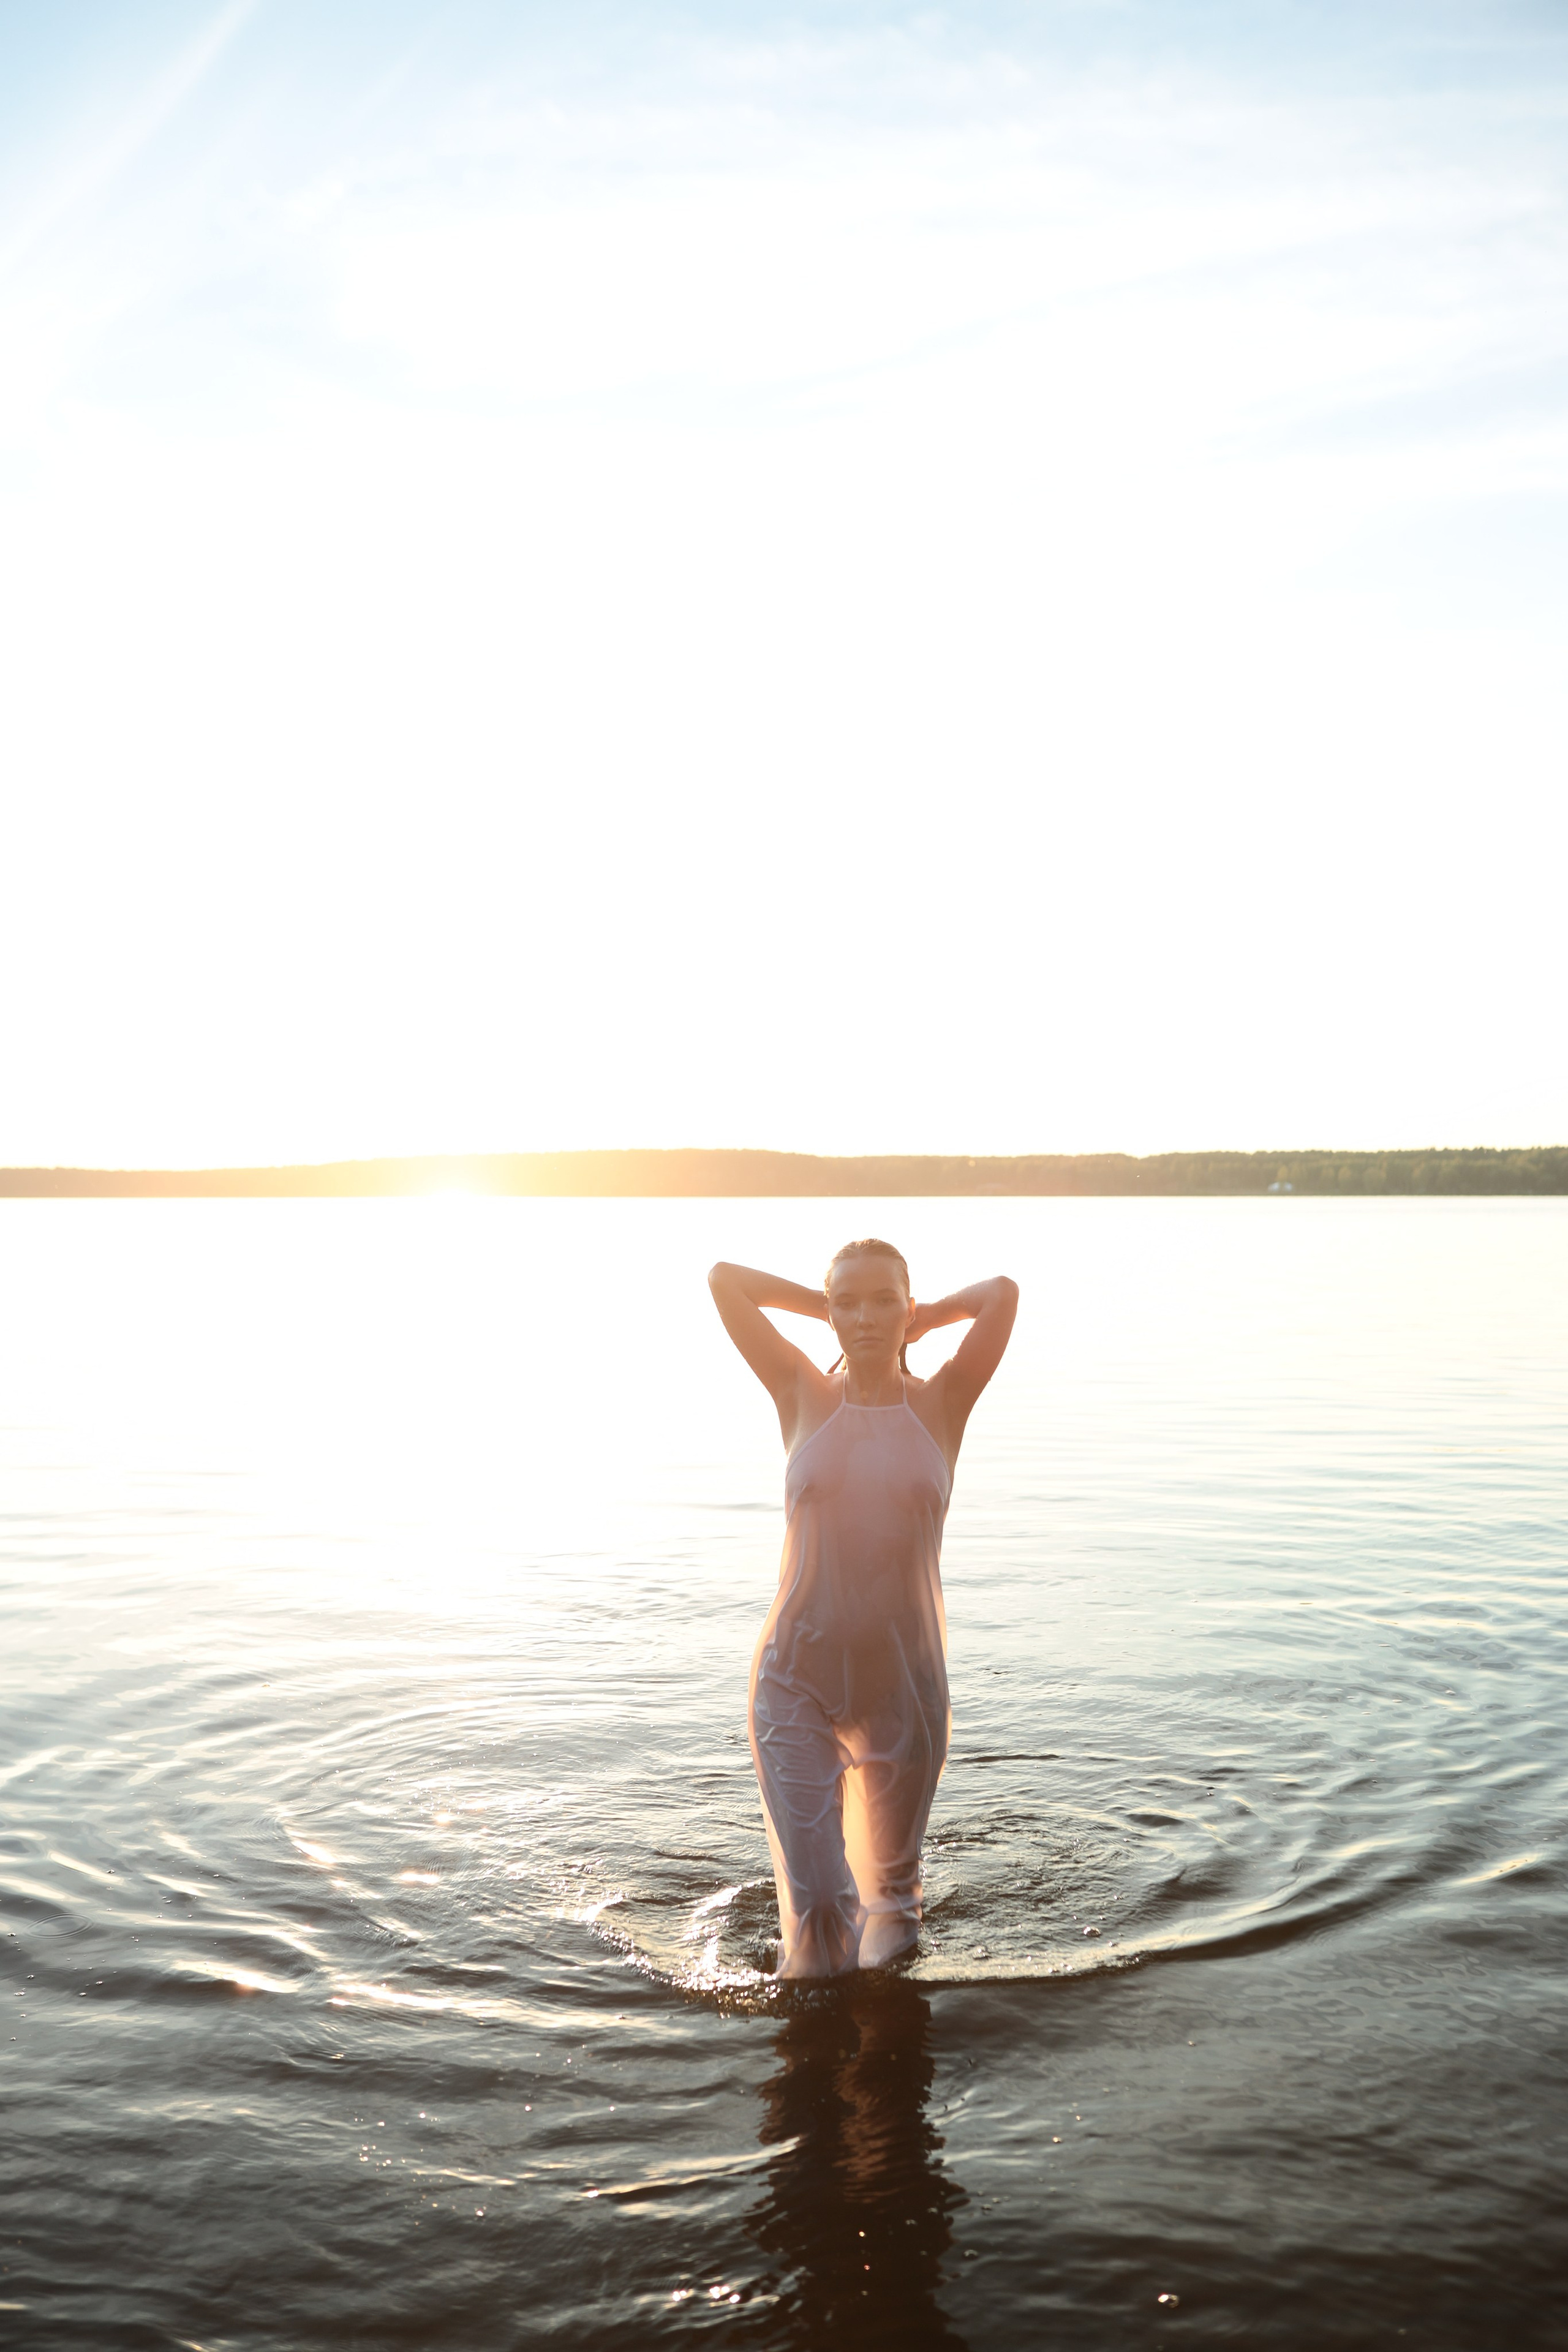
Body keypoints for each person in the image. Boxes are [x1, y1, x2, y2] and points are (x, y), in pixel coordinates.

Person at [707, 1241, 1019, 1978]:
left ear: (905, 1309)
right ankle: (812, 2038)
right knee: (821, 1907)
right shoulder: (799, 1390)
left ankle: (880, 2042)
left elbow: (1002, 1293)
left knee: (892, 1921)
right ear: (830, 1313)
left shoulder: (943, 1402)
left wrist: (922, 1317)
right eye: (847, 1302)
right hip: (795, 1679)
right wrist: (830, 1311)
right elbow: (726, 1281)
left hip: (904, 1693)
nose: (866, 1317)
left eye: (884, 1301)